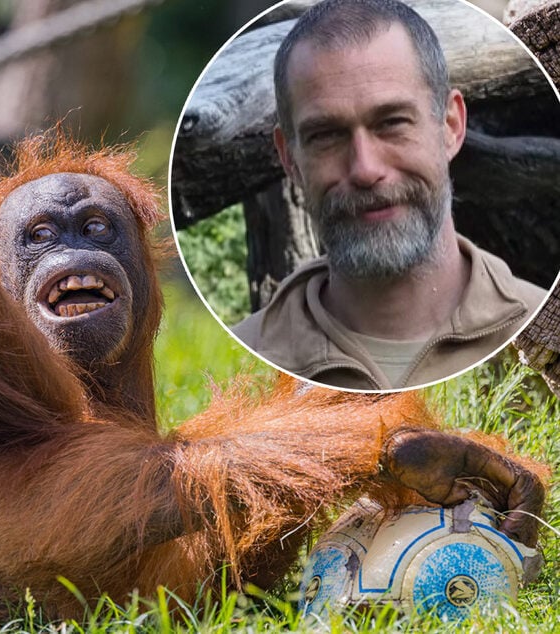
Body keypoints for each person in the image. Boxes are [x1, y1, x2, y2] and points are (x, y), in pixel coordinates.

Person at [232, 0, 546, 390]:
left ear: (451, 125)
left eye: (393, 123)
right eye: (326, 135)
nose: (365, 169)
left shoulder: (543, 327)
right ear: (288, 157)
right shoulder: (236, 369)